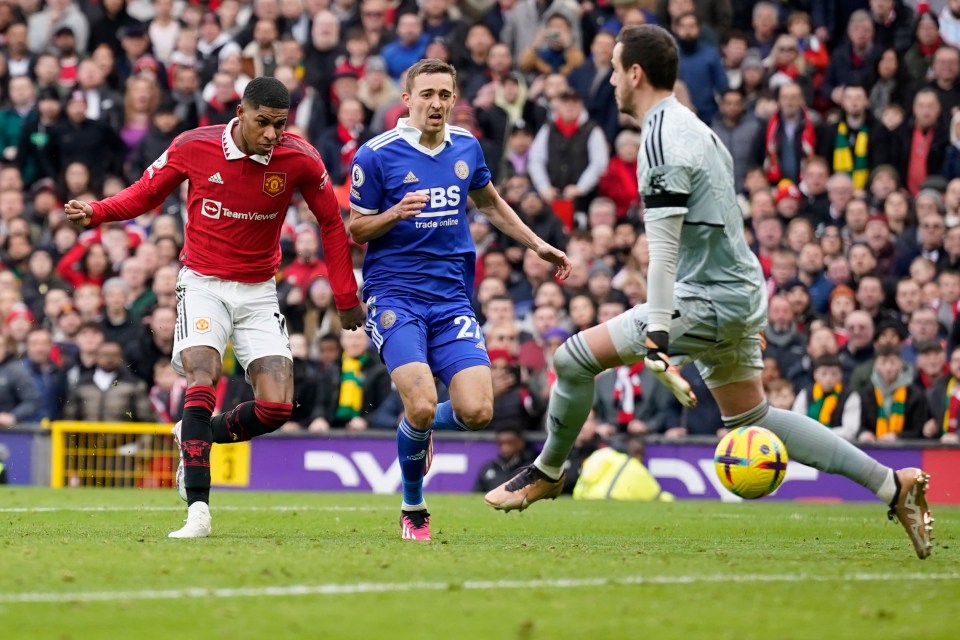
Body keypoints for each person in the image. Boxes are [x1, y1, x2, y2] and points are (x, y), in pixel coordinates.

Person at [484, 25, 934, 560]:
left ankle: (549, 471)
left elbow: (664, 248)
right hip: (738, 290)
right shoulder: (698, 128)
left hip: (706, 297)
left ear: (635, 73)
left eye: (613, 68)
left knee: (572, 358)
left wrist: (656, 332)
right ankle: (893, 484)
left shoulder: (660, 136)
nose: (608, 80)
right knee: (753, 419)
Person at [65, 77, 364, 539]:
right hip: (203, 283)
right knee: (203, 374)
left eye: (279, 125)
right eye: (263, 122)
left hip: (260, 290)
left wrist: (346, 296)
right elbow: (146, 192)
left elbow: (330, 221)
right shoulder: (194, 145)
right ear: (240, 113)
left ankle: (193, 435)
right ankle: (199, 512)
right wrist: (98, 211)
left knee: (276, 407)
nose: (271, 134)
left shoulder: (300, 157)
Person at [348, 58, 570, 541]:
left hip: (451, 299)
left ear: (454, 99)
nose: (436, 103)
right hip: (395, 296)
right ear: (406, 99)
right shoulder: (375, 154)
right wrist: (394, 213)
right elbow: (355, 226)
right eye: (427, 94)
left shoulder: (466, 145)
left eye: (445, 95)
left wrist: (536, 244)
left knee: (477, 412)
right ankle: (413, 507)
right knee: (423, 402)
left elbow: (489, 202)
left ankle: (416, 430)